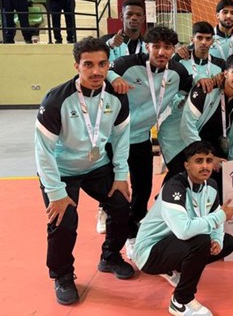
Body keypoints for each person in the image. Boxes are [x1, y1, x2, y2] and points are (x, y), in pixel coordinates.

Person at [35, 37, 134, 306]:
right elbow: (43, 152)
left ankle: (110, 257)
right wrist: (56, 192)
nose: (96, 71)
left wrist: (121, 176)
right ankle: (62, 275)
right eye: (88, 64)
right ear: (76, 66)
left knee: (120, 204)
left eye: (102, 64)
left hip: (97, 166)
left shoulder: (117, 97)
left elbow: (121, 139)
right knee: (63, 220)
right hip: (61, 171)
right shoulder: (57, 100)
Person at [108, 26, 193, 258]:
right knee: (115, 193)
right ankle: (113, 243)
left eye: (167, 47)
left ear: (173, 50)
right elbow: (104, 69)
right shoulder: (128, 64)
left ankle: (134, 233)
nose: (162, 52)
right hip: (112, 139)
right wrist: (114, 78)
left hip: (140, 139)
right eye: (156, 46)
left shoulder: (177, 71)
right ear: (147, 47)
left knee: (142, 188)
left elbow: (192, 86)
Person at [132, 140, 233, 316]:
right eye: (199, 161)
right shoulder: (174, 187)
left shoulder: (211, 185)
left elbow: (216, 219)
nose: (205, 166)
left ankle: (173, 267)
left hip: (173, 243)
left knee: (227, 242)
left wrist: (217, 240)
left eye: (209, 161)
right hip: (149, 253)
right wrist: (220, 216)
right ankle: (181, 301)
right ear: (186, 165)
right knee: (200, 240)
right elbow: (184, 230)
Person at [96, 0, 147, 235]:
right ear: (122, 17)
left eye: (138, 15)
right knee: (110, 173)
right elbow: (94, 66)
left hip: (139, 119)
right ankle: (104, 210)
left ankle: (136, 219)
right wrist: (108, 45)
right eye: (129, 15)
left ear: (143, 18)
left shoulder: (147, 47)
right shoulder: (108, 44)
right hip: (111, 120)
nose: (134, 18)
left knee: (141, 179)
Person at [158, 21, 227, 185]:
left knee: (201, 176)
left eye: (208, 39)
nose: (203, 42)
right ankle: (164, 199)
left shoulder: (220, 65)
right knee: (178, 175)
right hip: (175, 131)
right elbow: (168, 90)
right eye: (199, 38)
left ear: (213, 41)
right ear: (192, 39)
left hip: (201, 130)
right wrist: (181, 101)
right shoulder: (180, 61)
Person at [181, 51, 233, 200]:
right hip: (194, 145)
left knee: (223, 193)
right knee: (193, 192)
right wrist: (208, 158)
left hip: (222, 149)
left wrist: (231, 162)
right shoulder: (205, 90)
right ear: (225, 73)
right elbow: (187, 126)